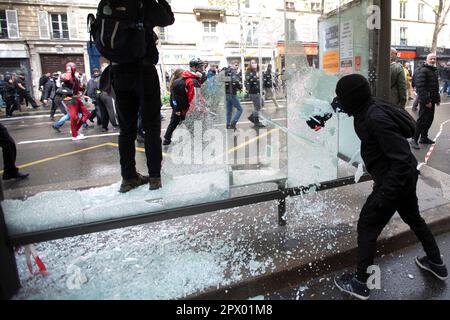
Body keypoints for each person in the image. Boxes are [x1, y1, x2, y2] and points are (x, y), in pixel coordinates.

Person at [331, 74, 447, 300]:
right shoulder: (369, 104)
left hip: (394, 180)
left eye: (342, 98)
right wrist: (330, 108)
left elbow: (401, 161)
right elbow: (345, 104)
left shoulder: (375, 118)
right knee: (414, 218)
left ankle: (361, 283)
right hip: (401, 178)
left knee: (367, 225)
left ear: (353, 98)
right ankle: (436, 263)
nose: (340, 102)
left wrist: (385, 194)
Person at [110, 0, 174, 193]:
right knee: (151, 127)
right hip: (143, 71)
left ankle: (128, 178)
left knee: (126, 130)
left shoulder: (109, 4)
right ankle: (154, 177)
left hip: (118, 72)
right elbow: (168, 19)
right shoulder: (143, 3)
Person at [409, 53, 440, 150]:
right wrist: (426, 101)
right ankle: (414, 139)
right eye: (431, 58)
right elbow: (420, 87)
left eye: (434, 59)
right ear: (427, 59)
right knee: (422, 120)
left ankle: (424, 137)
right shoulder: (423, 70)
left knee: (429, 120)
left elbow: (435, 86)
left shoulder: (433, 70)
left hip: (432, 100)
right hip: (426, 100)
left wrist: (437, 98)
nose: (433, 60)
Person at [61, 62, 91, 141]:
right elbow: (65, 79)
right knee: (74, 117)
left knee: (87, 114)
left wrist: (83, 87)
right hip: (70, 99)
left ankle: (75, 129)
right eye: (72, 67)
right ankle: (74, 135)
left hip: (77, 99)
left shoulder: (75, 78)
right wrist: (69, 71)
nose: (74, 69)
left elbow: (78, 87)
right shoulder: (67, 75)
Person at [163, 69, 185, 146]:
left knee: (175, 123)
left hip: (179, 107)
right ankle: (166, 139)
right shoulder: (175, 84)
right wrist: (177, 109)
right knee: (173, 123)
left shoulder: (177, 83)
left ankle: (167, 138)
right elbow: (174, 99)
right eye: (183, 73)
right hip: (177, 107)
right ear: (179, 75)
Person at [245, 59, 265, 128]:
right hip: (253, 92)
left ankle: (251, 117)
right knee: (257, 106)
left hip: (258, 91)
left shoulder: (257, 71)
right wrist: (255, 76)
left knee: (261, 104)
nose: (254, 64)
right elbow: (248, 81)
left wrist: (262, 90)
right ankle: (256, 121)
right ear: (250, 65)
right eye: (252, 63)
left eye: (255, 63)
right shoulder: (249, 72)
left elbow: (260, 82)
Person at [224, 60, 243, 130]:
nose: (236, 66)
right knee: (240, 109)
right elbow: (235, 81)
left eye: (237, 65)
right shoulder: (233, 72)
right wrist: (240, 87)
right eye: (235, 65)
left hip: (227, 93)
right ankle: (233, 123)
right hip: (232, 93)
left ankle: (228, 124)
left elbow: (226, 82)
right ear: (231, 64)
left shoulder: (226, 71)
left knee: (229, 110)